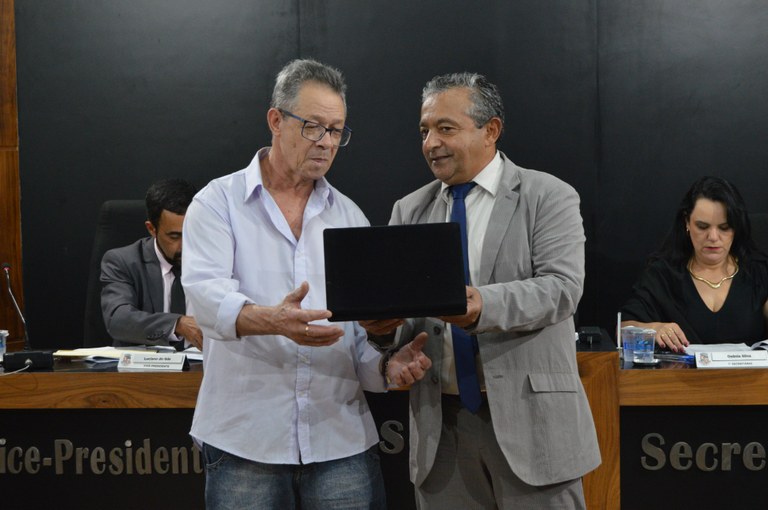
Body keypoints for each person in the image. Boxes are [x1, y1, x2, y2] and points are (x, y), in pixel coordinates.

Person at [181, 59, 431, 510]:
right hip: (246, 440)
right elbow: (205, 300)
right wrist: (274, 320)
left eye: (336, 131)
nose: (327, 142)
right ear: (276, 120)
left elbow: (357, 341)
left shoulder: (349, 217)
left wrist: (387, 362)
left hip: (339, 440)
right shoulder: (218, 203)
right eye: (313, 127)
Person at [363, 73, 600, 509]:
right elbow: (405, 320)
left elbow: (562, 288)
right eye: (424, 131)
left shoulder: (547, 196)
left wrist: (482, 305)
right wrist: (384, 333)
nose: (431, 143)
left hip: (533, 428)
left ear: (490, 130)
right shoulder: (409, 210)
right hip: (441, 433)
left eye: (445, 128)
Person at [621, 176, 768, 351]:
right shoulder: (662, 275)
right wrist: (654, 329)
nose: (713, 237)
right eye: (702, 227)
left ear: (736, 227)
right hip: (679, 369)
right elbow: (623, 329)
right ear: (687, 223)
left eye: (724, 227)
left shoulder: (758, 273)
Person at [100, 178, 202, 350]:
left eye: (191, 233)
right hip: (146, 365)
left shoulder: (217, 258)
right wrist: (177, 324)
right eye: (174, 236)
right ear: (152, 229)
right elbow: (118, 319)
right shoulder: (123, 262)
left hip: (205, 362)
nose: (185, 245)